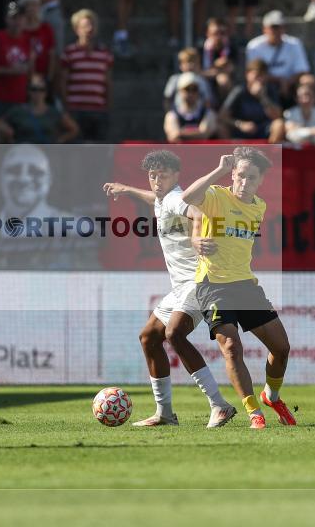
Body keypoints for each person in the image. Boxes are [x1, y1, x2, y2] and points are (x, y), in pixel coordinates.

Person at [102, 151, 236, 428]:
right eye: (153, 175)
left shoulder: (175, 198)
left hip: (199, 281)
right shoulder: (163, 198)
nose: (156, 181)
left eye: (163, 175)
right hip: (180, 286)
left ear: (176, 176)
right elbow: (154, 198)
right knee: (149, 337)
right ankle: (165, 414)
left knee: (174, 333)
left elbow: (198, 214)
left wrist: (198, 240)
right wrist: (126, 189)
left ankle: (219, 405)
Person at [182, 148, 296, 429]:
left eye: (251, 178)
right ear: (233, 175)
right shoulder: (217, 195)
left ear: (260, 182)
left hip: (245, 285)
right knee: (231, 346)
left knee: (281, 348)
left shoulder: (259, 207)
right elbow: (188, 199)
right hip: (213, 286)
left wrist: (199, 236)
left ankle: (271, 396)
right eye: (240, 175)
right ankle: (253, 411)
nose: (245, 182)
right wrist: (218, 170)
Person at [60, 9, 113, 142]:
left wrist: (107, 106)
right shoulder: (69, 53)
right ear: (76, 29)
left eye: (91, 25)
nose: (89, 29)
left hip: (98, 109)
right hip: (75, 109)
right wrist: (66, 106)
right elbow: (62, 81)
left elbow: (108, 82)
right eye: (85, 26)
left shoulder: (105, 53)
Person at [245, 11, 311, 109]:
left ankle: (306, 115)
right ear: (265, 29)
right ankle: (264, 116)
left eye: (279, 27)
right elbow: (253, 73)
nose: (276, 31)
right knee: (257, 85)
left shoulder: (294, 43)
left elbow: (303, 70)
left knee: (308, 81)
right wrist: (279, 81)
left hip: (291, 83)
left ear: (284, 28)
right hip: (265, 83)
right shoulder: (254, 46)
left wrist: (287, 82)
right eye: (273, 28)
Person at [0, 2, 33, 117]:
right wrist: (10, 71)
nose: (17, 21)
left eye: (20, 17)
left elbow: (31, 70)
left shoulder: (29, 41)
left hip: (21, 99)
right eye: (13, 17)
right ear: (6, 19)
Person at [0, 75, 79, 143]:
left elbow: (74, 129)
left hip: (46, 153)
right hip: (23, 152)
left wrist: (60, 140)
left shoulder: (54, 112)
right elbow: (0, 124)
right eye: (34, 89)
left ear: (46, 92)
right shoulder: (17, 111)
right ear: (28, 91)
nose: (37, 93)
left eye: (41, 89)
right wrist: (8, 138)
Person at [219, 59, 282, 140]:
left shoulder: (270, 90)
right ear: (247, 75)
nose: (259, 80)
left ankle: (270, 152)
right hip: (241, 131)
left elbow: (278, 116)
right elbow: (221, 116)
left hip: (263, 130)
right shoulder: (239, 91)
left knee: (279, 124)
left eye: (262, 75)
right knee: (221, 127)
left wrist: (263, 98)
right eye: (256, 76)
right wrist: (240, 124)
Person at [164, 73, 219, 143]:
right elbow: (173, 136)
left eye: (194, 89)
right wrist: (198, 133)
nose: (191, 93)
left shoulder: (208, 113)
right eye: (187, 89)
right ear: (180, 91)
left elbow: (204, 134)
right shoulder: (171, 115)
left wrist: (180, 133)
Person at [18, 0, 57, 82]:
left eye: (34, 5)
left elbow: (51, 54)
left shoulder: (46, 28)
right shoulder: (17, 29)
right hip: (20, 76)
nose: (31, 8)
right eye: (27, 5)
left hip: (41, 77)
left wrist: (49, 76)